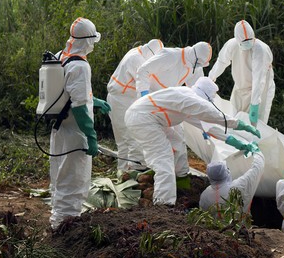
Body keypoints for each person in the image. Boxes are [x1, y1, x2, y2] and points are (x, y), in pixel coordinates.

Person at [124, 77, 260, 206]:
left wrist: (236, 142)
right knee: (163, 160)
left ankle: (178, 180)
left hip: (149, 118)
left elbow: (209, 127)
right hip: (143, 119)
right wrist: (240, 124)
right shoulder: (190, 99)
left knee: (177, 142)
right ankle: (164, 204)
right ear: (206, 96)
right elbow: (215, 115)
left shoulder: (187, 100)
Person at [50, 17, 109, 230]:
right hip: (75, 132)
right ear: (87, 41)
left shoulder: (60, 57)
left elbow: (67, 93)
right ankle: (67, 227)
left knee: (60, 175)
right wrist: (91, 137)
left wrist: (95, 101)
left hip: (59, 128)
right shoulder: (81, 66)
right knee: (74, 179)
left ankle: (58, 220)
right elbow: (78, 106)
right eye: (92, 41)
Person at [135, 41, 213, 175]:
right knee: (157, 138)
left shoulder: (195, 66)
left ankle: (181, 174)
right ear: (195, 57)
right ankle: (153, 172)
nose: (199, 66)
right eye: (199, 63)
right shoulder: (170, 55)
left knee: (179, 137)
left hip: (170, 100)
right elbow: (143, 70)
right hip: (152, 97)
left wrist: (205, 122)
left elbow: (199, 94)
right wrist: (144, 95)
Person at [106, 39, 164, 172]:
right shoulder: (137, 60)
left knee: (123, 140)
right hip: (121, 100)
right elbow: (147, 83)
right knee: (131, 136)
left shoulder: (136, 51)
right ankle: (136, 171)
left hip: (119, 98)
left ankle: (123, 171)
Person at [208, 20, 275, 126]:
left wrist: (255, 104)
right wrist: (211, 78)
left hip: (259, 91)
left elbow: (259, 79)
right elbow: (221, 62)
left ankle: (254, 142)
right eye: (244, 41)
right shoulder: (232, 45)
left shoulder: (260, 49)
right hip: (240, 87)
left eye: (249, 39)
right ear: (237, 39)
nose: (247, 42)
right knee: (234, 120)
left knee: (257, 125)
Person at [199, 150, 265, 214]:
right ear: (226, 172)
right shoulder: (238, 187)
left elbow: (203, 214)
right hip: (241, 224)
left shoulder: (205, 195)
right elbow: (257, 168)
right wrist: (256, 151)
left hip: (215, 225)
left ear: (210, 177)